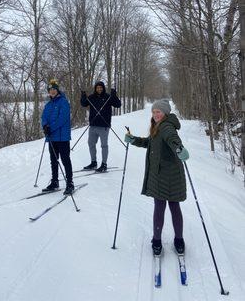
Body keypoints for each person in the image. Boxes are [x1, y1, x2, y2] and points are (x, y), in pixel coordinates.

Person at [124, 99, 189, 256]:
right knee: (168, 208)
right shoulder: (157, 127)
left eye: (158, 112)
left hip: (168, 175)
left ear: (165, 113)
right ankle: (175, 241)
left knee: (167, 208)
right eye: (153, 112)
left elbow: (172, 138)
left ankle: (161, 241)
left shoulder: (166, 126)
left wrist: (179, 148)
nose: (155, 114)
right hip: (163, 175)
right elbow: (150, 143)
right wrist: (134, 140)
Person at [41, 79, 74, 195]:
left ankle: (70, 183)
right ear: (49, 92)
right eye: (50, 90)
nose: (52, 91)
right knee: (53, 161)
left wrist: (51, 128)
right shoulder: (48, 105)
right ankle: (55, 181)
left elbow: (63, 119)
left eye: (54, 89)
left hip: (62, 137)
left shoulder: (64, 102)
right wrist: (44, 126)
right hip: (51, 137)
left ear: (57, 90)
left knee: (65, 160)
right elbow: (43, 117)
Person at [81, 81, 121, 172]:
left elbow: (118, 105)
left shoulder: (108, 97)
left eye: (101, 87)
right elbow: (84, 104)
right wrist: (83, 95)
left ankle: (104, 164)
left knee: (104, 145)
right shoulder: (91, 97)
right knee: (91, 144)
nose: (99, 89)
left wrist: (114, 95)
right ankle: (93, 162)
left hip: (104, 126)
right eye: (97, 88)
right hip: (93, 126)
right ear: (95, 88)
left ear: (103, 88)